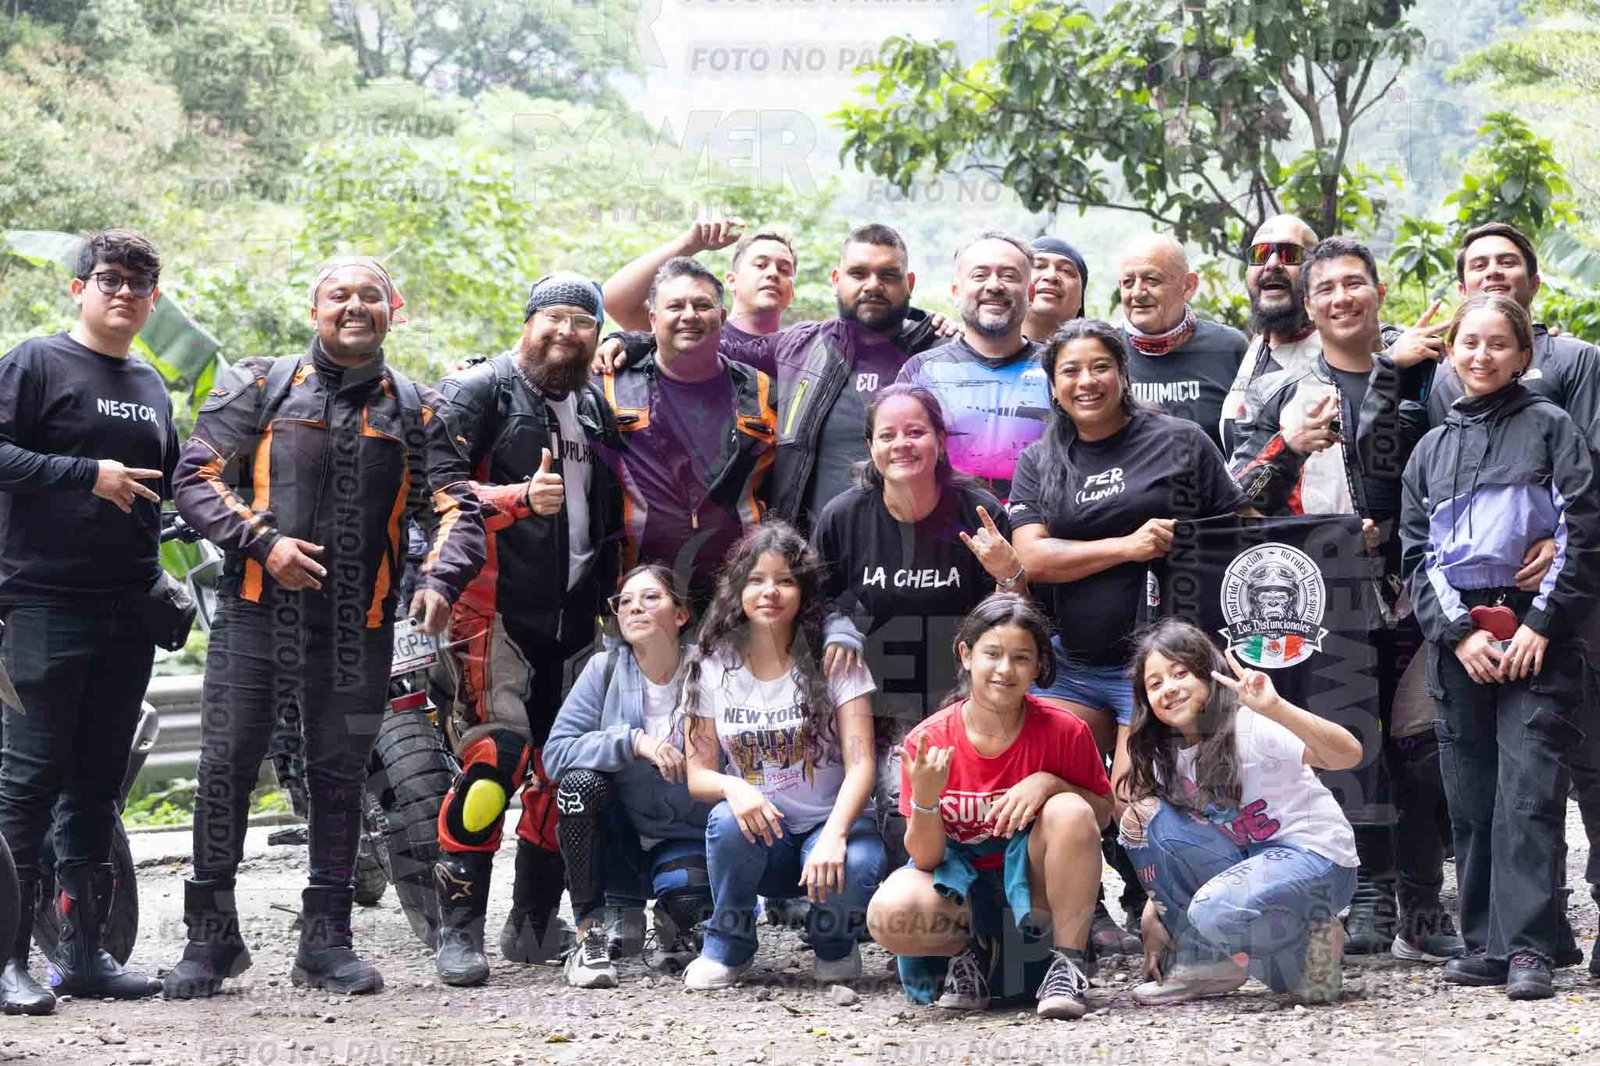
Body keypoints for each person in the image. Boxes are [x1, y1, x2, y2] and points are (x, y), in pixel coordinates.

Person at [167, 256, 485, 998]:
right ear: (315, 311)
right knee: (224, 772)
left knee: (340, 780)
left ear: (393, 311)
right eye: (338, 295)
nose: (354, 306)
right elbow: (196, 476)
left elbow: (454, 506)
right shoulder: (261, 383)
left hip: (359, 627)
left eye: (370, 296)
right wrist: (263, 543)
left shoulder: (418, 408)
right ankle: (208, 942)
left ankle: (326, 944)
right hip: (253, 617)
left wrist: (440, 580)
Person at [1228, 237, 1460, 963]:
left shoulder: (1429, 374)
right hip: (1323, 602)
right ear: (1308, 303)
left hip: (1417, 590)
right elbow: (1239, 503)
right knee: (1351, 749)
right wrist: (1288, 447)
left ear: (1378, 292)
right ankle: (1369, 893)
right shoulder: (1280, 392)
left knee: (1420, 747)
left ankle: (1423, 898)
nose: (1340, 299)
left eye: (1353, 284)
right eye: (1324, 289)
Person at [1008, 318, 1250, 954]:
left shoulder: (1180, 442)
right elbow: (1032, 558)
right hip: (1074, 663)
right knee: (1047, 787)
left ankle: (1180, 920)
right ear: (1053, 387)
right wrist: (1128, 546)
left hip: (1158, 668)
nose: (1086, 381)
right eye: (1070, 371)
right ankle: (1073, 926)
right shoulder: (1040, 460)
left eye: (1100, 367)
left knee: (1136, 801)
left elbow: (1231, 535)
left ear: (1122, 372)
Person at [1400, 294, 1600, 1000]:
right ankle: (1487, 942)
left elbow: (1582, 530)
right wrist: (1458, 634)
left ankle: (1530, 948)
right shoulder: (1431, 449)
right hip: (1463, 643)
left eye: (1497, 344)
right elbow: (1417, 555)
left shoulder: (1551, 427)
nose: (1481, 356)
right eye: (1469, 343)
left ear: (1523, 356)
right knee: (1472, 794)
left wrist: (1543, 623)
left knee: (1529, 790)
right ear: (1450, 352)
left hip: (1539, 634)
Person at [427, 272, 623, 987]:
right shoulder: (477, 389)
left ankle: (533, 925)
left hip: (575, 617)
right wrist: (516, 497)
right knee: (494, 764)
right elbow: (434, 489)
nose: (566, 332)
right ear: (529, 321)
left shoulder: (594, 404)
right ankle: (457, 932)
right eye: (555, 318)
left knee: (563, 774)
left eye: (583, 322)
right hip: (492, 612)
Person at [0, 229, 177, 1012]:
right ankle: (6, 960)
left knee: (97, 791)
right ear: (80, 288)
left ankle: (82, 956)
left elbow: (165, 486)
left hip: (126, 613)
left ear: (154, 298)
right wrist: (86, 473)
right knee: (27, 786)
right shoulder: (35, 363)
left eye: (139, 283)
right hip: (42, 604)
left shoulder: (151, 383)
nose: (124, 293)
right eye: (109, 279)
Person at [866, 594, 1112, 1020]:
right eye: (992, 654)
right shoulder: (929, 741)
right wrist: (926, 799)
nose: (1005, 669)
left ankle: (1066, 965)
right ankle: (970, 957)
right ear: (966, 655)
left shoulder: (1065, 731)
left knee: (1070, 810)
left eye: (1021, 657)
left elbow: (1102, 815)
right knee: (890, 912)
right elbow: (925, 859)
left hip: (1035, 899)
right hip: (960, 900)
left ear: (1038, 665)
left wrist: (1051, 783)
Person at [811, 384, 1028, 865]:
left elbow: (1017, 621)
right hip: (888, 698)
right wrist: (837, 625)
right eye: (887, 435)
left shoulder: (978, 512)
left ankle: (988, 891)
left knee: (982, 803)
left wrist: (1009, 575)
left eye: (915, 432)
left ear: (941, 441)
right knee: (901, 800)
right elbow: (812, 599)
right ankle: (911, 892)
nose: (901, 445)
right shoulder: (845, 516)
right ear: (871, 447)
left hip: (971, 691)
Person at [680, 522, 885, 988]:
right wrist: (734, 787)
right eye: (756, 579)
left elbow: (862, 765)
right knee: (726, 821)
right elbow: (698, 774)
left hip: (828, 829)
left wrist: (834, 834)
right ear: (737, 589)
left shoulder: (835, 660)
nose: (770, 591)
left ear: (804, 592)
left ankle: (834, 942)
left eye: (785, 580)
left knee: (856, 862)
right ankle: (728, 946)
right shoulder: (709, 663)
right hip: (762, 834)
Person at [1119, 619, 1361, 1005]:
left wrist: (1277, 708)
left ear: (1208, 674)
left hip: (1315, 859)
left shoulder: (1249, 725)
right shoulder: (1165, 756)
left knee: (1214, 909)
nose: (1169, 688)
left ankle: (1313, 952)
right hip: (1249, 860)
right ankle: (1206, 963)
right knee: (1141, 819)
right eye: (1155, 683)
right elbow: (1174, 846)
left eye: (1180, 673)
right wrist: (1157, 904)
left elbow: (1348, 754)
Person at [545, 564, 715, 987]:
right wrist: (633, 741)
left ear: (681, 614)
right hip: (619, 837)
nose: (634, 607)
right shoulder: (603, 669)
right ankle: (589, 934)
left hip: (686, 835)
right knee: (579, 785)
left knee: (692, 912)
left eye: (650, 597)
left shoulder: (711, 670)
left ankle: (672, 919)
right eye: (624, 601)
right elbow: (556, 754)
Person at [600, 257, 775, 610]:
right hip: (640, 598)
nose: (689, 315)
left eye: (702, 305)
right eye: (675, 306)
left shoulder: (762, 391)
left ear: (722, 316)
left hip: (739, 597)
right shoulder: (611, 386)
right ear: (652, 318)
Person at [896, 232, 1050, 500]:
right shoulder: (921, 372)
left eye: (1009, 276)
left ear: (1030, 293)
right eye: (980, 275)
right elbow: (897, 461)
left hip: (1040, 524)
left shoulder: (1059, 370)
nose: (994, 285)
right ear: (956, 292)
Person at [1116, 234, 1247, 454]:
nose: (1137, 292)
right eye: (1128, 282)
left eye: (1151, 280)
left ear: (1188, 285)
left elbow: (1253, 437)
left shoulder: (1229, 347)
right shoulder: (1104, 351)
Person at [1219, 215, 1321, 453]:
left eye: (1289, 253)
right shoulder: (1258, 346)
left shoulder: (1335, 354)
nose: (1272, 263)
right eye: (1260, 254)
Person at [603, 217, 796, 340]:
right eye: (760, 265)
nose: (772, 273)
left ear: (792, 292)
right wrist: (689, 244)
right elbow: (615, 300)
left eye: (784, 269)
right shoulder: (693, 331)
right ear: (732, 280)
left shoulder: (799, 354)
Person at [1023, 237, 1089, 342]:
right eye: (1038, 266)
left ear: (1082, 297)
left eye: (1066, 270)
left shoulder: (1106, 350)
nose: (1051, 276)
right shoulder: (994, 347)